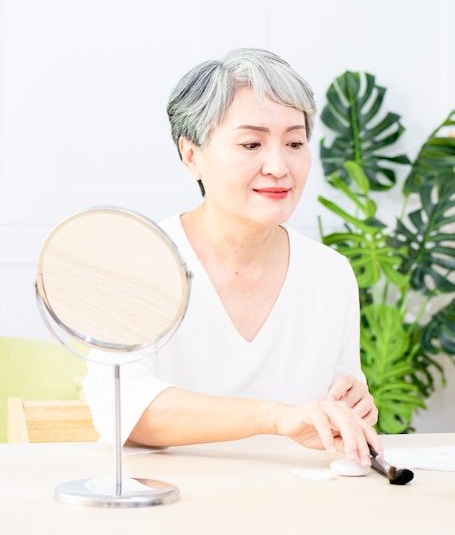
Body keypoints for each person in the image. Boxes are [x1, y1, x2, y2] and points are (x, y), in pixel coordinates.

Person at [84, 48, 381, 466]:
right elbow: (123, 410)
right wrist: (275, 418)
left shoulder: (330, 273)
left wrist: (351, 410)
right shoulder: (142, 260)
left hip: (299, 511)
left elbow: (338, 406)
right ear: (192, 156)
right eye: (251, 143)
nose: (279, 165)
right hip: (165, 507)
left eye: (295, 142)